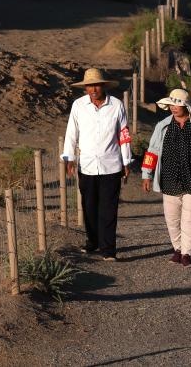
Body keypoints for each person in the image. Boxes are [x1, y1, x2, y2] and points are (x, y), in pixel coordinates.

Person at [141, 88, 191, 268]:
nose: (173, 108)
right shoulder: (163, 125)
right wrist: (147, 174)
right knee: (172, 219)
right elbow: (152, 151)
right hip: (169, 177)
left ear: (186, 106)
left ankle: (186, 254)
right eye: (171, 104)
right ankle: (178, 248)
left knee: (190, 218)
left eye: (177, 104)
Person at [61, 68, 132, 261]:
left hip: (111, 164)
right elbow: (71, 133)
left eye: (97, 85)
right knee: (89, 207)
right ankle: (92, 242)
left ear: (103, 86)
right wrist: (69, 158)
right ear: (85, 88)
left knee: (109, 208)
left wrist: (126, 161)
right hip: (87, 165)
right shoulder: (78, 106)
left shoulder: (116, 105)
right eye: (90, 86)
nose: (93, 89)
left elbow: (124, 134)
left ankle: (108, 250)